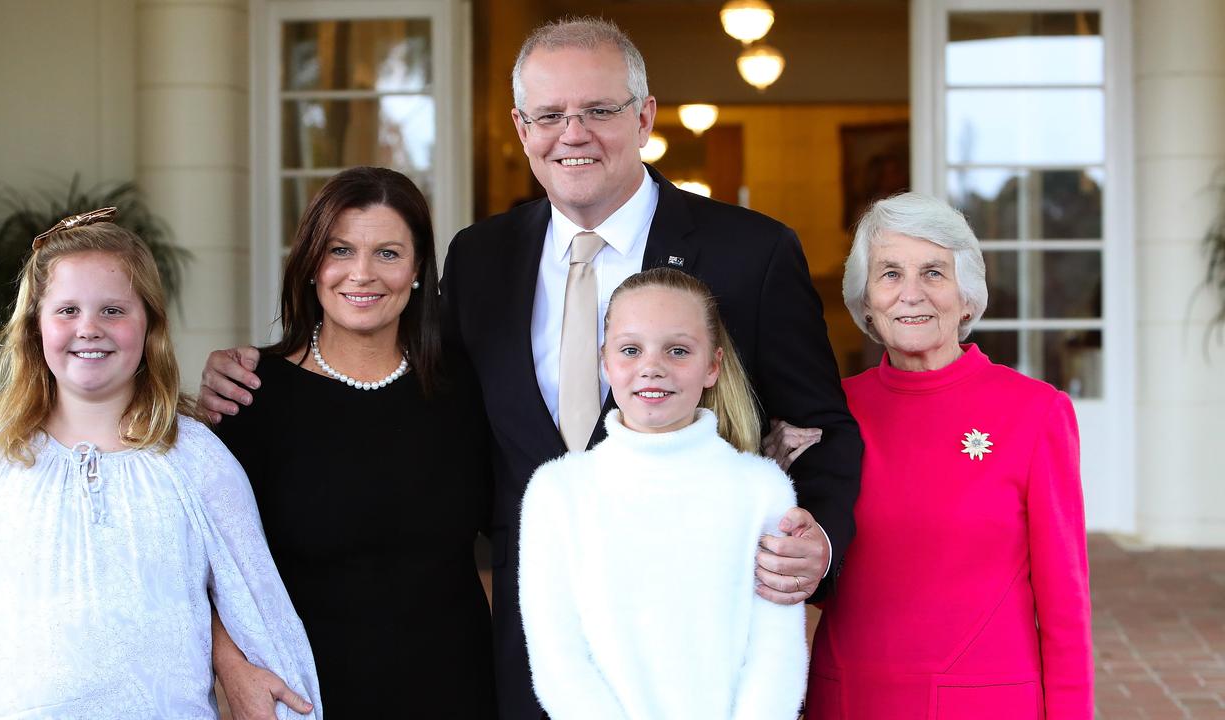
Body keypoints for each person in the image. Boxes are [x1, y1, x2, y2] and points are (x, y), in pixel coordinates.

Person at [199, 18, 861, 718]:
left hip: (693, 641)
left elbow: (823, 430)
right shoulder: (482, 256)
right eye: (550, 115)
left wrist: (816, 539)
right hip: (520, 654)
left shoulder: (750, 254)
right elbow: (417, 411)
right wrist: (261, 372)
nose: (572, 134)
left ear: (644, 117)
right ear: (521, 128)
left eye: (599, 110)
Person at [0, 211, 320, 718]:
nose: (89, 328)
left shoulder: (194, 457)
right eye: (67, 310)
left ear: (150, 324)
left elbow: (259, 608)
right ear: (34, 327)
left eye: (114, 310)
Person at [768, 192, 1093, 718]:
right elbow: (814, 574)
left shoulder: (1035, 412)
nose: (911, 294)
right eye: (890, 274)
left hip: (989, 702)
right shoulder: (830, 414)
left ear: (967, 297)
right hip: (852, 697)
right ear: (866, 304)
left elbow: (1065, 607)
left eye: (934, 273)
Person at [210, 167, 495, 718]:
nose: (361, 274)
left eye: (388, 253)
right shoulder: (250, 396)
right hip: (308, 696)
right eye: (340, 250)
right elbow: (205, 565)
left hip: (457, 690)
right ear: (312, 264)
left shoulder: (465, 387)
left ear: (416, 270)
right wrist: (234, 670)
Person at [519, 268, 807, 720]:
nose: (652, 367)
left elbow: (776, 656)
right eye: (631, 349)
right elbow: (559, 662)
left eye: (677, 350)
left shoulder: (760, 488)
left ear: (712, 366)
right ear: (605, 362)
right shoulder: (558, 492)